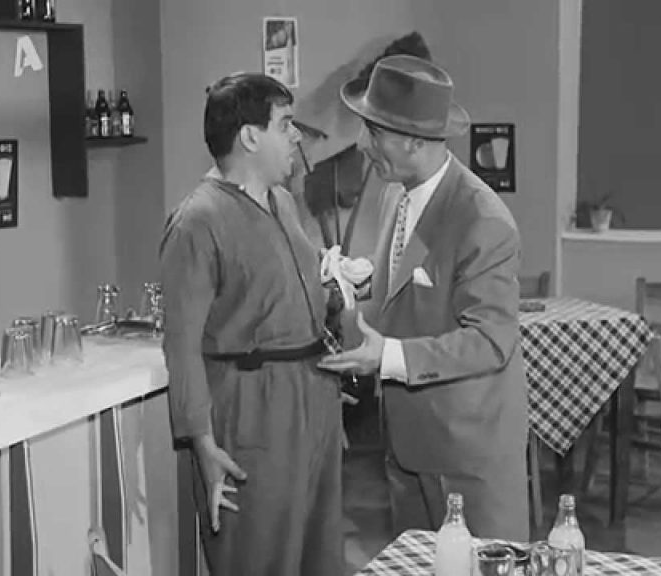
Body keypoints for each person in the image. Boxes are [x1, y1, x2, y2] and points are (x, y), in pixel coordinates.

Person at [318, 55, 530, 541]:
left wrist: (388, 356)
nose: (362, 144)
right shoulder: (396, 193)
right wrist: (358, 282)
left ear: (415, 141)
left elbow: (490, 341)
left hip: (467, 456)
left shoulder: (483, 220)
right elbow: (410, 287)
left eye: (374, 131)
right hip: (408, 447)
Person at [159, 73, 344, 576]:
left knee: (320, 555)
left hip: (314, 402)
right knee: (261, 555)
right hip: (252, 413)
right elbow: (181, 344)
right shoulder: (197, 221)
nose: (297, 136)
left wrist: (337, 291)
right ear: (249, 136)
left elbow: (289, 293)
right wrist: (202, 443)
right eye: (285, 124)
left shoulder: (284, 203)